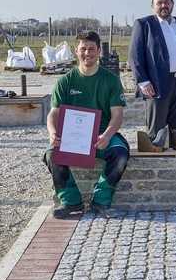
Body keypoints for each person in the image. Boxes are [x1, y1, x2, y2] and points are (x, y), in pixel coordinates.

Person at [44, 31, 129, 218]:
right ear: (76, 51)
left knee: (121, 154)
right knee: (51, 154)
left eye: (91, 49)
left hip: (102, 136)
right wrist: (52, 132)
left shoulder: (111, 80)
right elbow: (53, 114)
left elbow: (117, 115)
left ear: (98, 51)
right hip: (73, 137)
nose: (87, 53)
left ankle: (101, 201)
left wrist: (107, 135)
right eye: (83, 49)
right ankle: (71, 202)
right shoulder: (65, 81)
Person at [129, 0, 176, 152]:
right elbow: (134, 56)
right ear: (152, 6)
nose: (164, 5)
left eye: (167, 2)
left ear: (172, 4)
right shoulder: (144, 25)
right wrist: (143, 81)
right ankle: (154, 149)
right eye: (159, 3)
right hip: (156, 83)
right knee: (157, 129)